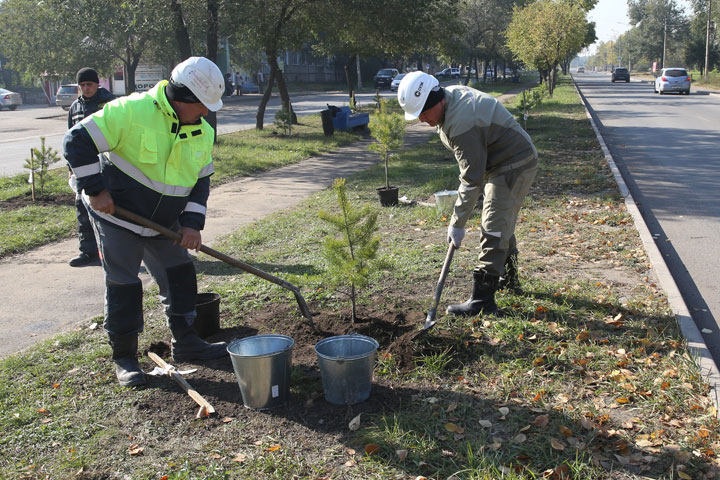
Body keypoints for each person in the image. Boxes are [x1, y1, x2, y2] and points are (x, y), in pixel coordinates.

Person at [63, 57, 228, 387]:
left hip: (163, 223)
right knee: (125, 284)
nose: (207, 113)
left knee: (180, 274)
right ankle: (124, 359)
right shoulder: (130, 111)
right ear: (184, 99)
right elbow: (75, 142)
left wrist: (192, 223)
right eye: (203, 106)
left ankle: (186, 341)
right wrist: (95, 190)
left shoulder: (203, 131)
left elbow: (201, 181)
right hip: (117, 217)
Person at [397, 71, 538, 316]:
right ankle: (509, 279)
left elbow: (471, 178)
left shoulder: (462, 121)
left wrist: (457, 222)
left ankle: (483, 301)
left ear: (435, 100)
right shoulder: (450, 102)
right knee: (501, 220)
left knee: (493, 225)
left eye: (422, 112)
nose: (420, 119)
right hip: (498, 162)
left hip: (514, 163)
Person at [66, 67, 115, 267]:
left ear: (97, 84)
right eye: (82, 85)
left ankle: (113, 253)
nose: (86, 88)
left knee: (109, 211)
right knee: (82, 209)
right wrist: (71, 167)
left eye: (89, 84)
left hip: (106, 166)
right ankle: (88, 252)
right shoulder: (75, 107)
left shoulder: (109, 103)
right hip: (82, 169)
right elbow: (70, 139)